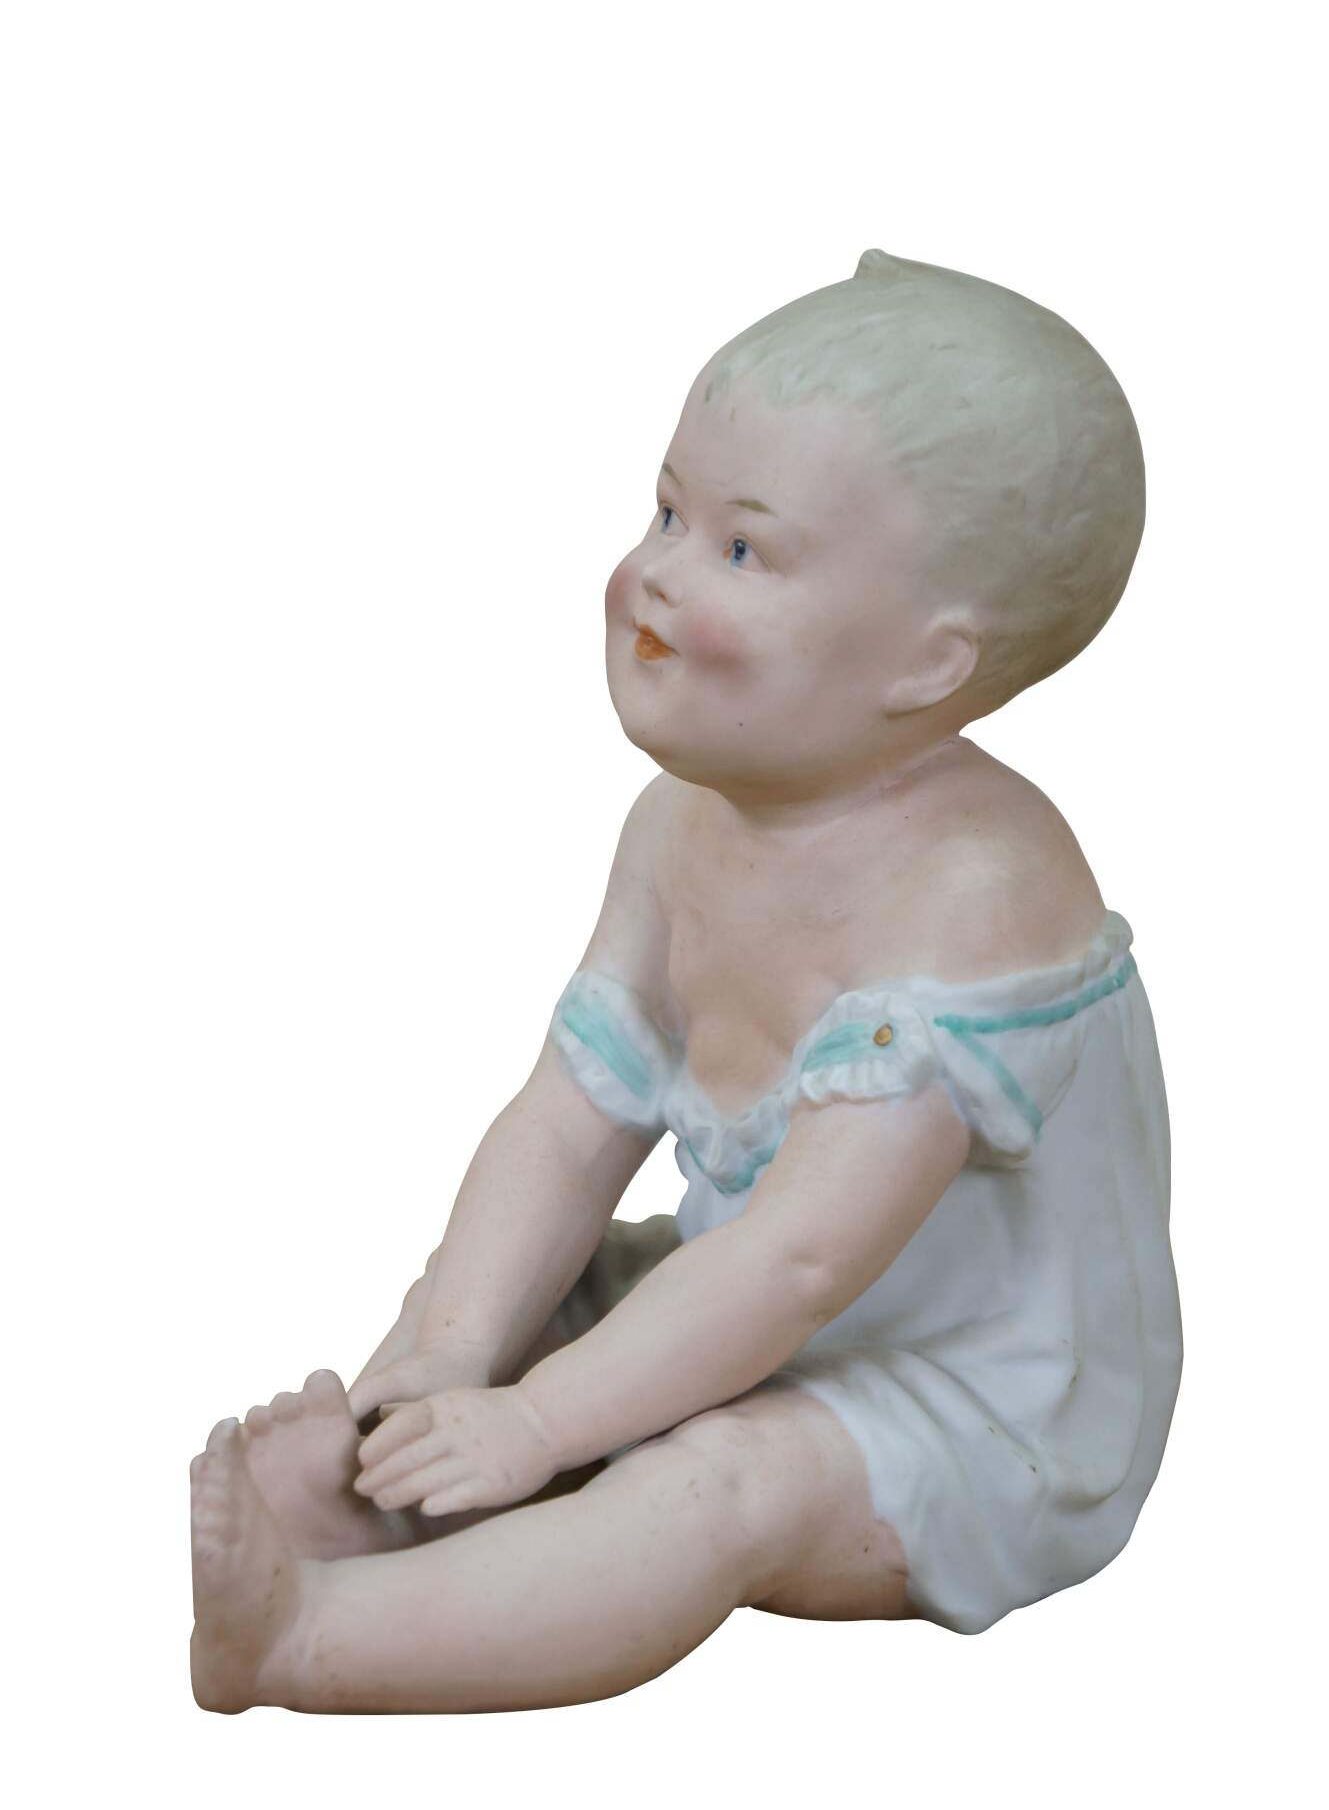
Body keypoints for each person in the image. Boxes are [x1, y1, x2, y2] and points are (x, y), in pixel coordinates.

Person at [190, 248, 1182, 1714]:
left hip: (975, 1400)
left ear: (926, 664)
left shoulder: (973, 894)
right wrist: (449, 1356)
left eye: (740, 551)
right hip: (755, 1306)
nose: (654, 572)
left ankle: (305, 1642)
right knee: (538, 1296)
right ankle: (389, 1502)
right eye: (665, 512)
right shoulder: (680, 826)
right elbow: (566, 1121)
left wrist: (542, 1422)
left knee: (715, 1481)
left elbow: (801, 1261)